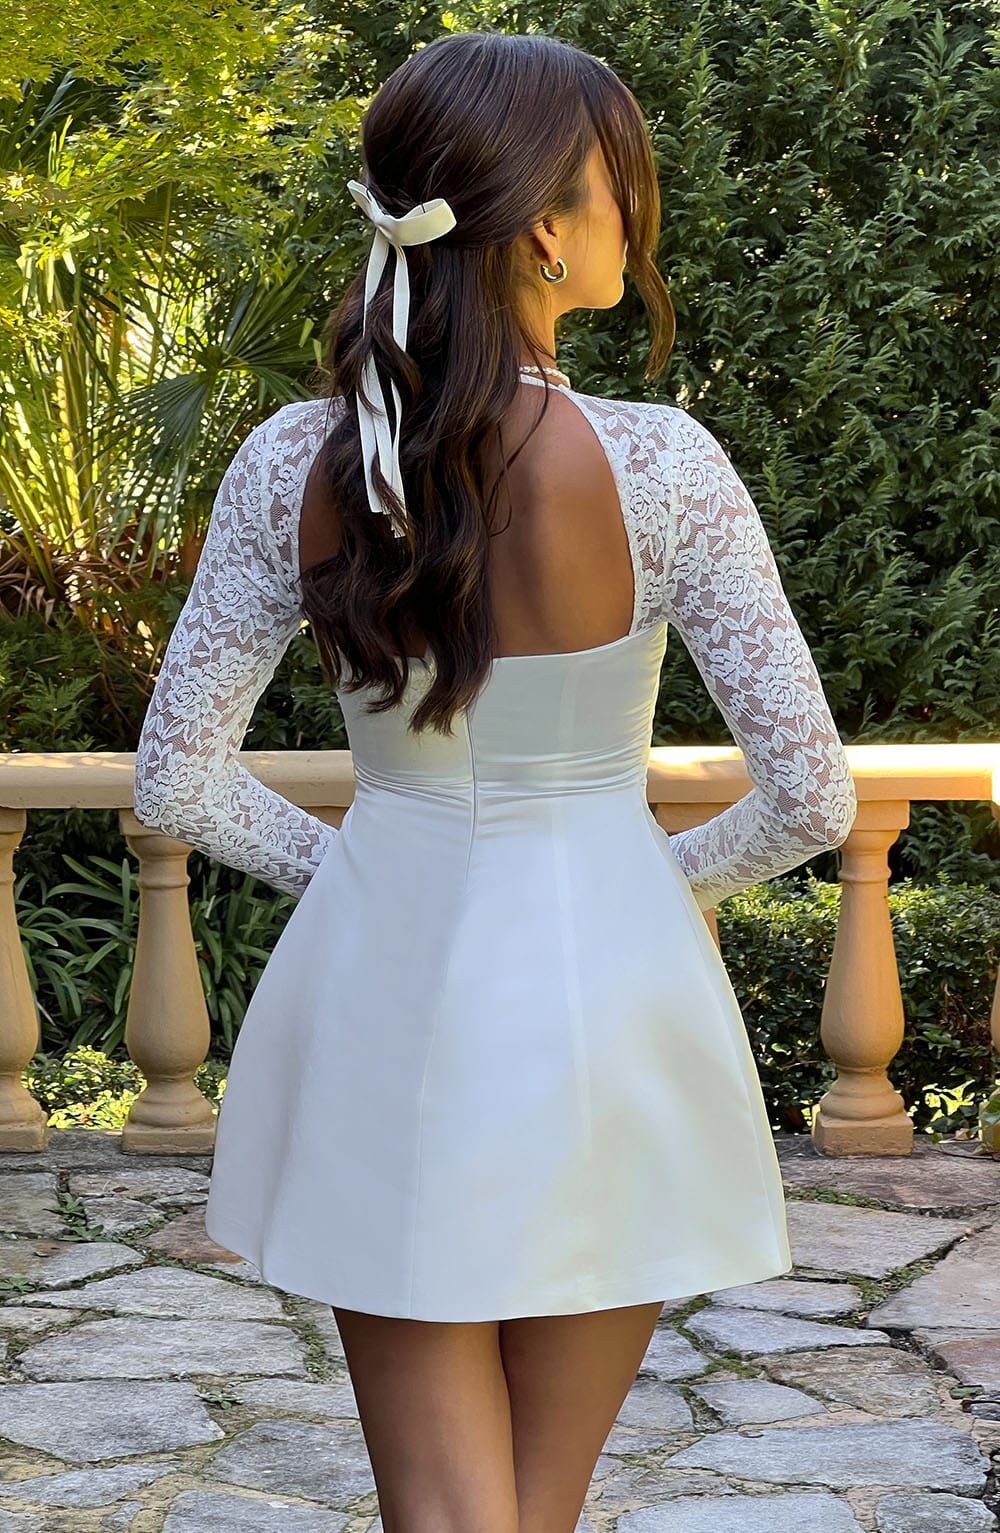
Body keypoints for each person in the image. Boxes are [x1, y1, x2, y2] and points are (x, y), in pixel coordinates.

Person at [132, 28, 857, 1533]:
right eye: (619, 181)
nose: (635, 216)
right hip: (614, 984)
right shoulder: (664, 468)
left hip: (381, 974)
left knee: (451, 1515)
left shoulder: (291, 464)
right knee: (532, 1508)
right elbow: (811, 797)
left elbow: (178, 776)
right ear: (542, 230)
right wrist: (647, 878)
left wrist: (355, 867)